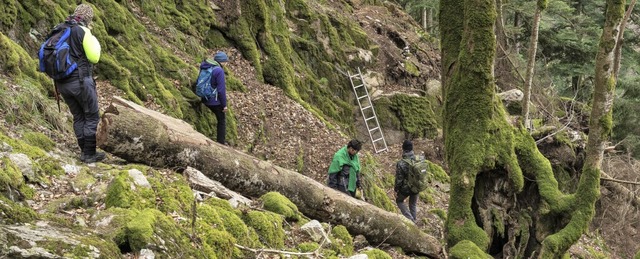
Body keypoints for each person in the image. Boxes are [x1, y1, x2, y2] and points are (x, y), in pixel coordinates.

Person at [51, 4, 103, 163]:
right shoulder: (83, 31)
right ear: (89, 18)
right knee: (92, 116)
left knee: (78, 116)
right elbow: (94, 57)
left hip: (62, 84)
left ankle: (83, 151)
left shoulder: (60, 29)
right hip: (81, 82)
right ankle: (89, 154)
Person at [200, 52, 229, 145]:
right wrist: (224, 105)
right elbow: (221, 90)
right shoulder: (219, 70)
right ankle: (221, 143)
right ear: (222, 61)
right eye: (225, 61)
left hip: (204, 96)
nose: (226, 64)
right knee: (222, 120)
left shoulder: (206, 66)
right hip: (214, 100)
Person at [395, 140, 419, 222]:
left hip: (406, 188)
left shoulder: (401, 163)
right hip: (417, 186)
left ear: (403, 149)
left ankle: (410, 219)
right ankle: (414, 221)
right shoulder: (418, 160)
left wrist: (396, 190)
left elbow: (399, 179)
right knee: (413, 204)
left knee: (399, 201)